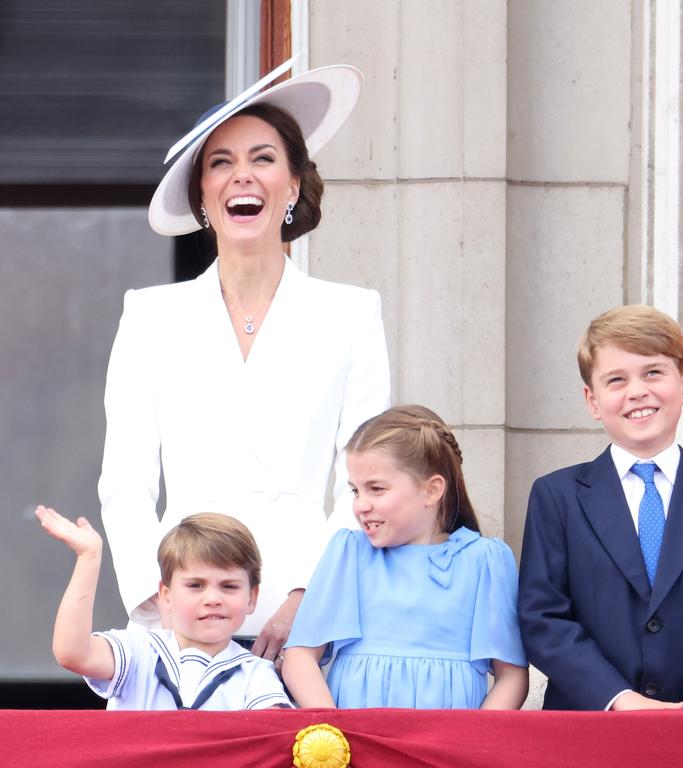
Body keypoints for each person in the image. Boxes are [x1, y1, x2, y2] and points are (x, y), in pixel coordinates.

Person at [99, 58, 390, 665]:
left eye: (262, 159)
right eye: (221, 163)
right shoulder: (150, 315)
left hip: (308, 622)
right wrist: (159, 605)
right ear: (202, 195)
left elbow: (366, 482)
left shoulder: (351, 313)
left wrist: (313, 597)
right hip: (178, 614)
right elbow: (125, 483)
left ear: (292, 185)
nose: (242, 177)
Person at [517, 305, 683, 711]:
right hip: (587, 727)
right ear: (592, 400)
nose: (637, 391)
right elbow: (543, 618)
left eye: (653, 372)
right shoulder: (557, 497)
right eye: (616, 380)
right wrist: (618, 699)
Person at [282, 405, 529, 709]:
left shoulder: (484, 561)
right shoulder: (349, 554)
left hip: (447, 747)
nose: (360, 505)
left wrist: (470, 745)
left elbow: (512, 676)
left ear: (431, 490)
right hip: (355, 743)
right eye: (355, 491)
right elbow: (301, 656)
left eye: (376, 489)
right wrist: (333, 730)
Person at [35, 507, 291, 710]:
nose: (213, 598)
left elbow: (269, 736)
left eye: (229, 586)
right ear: (166, 595)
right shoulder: (138, 651)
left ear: (251, 597)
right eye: (196, 585)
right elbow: (72, 654)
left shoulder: (256, 673)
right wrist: (88, 557)